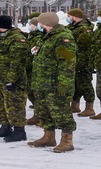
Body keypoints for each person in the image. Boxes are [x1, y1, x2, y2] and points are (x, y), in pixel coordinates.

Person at [29, 12, 77, 153]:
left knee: (60, 112)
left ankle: (67, 140)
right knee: (43, 111)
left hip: (55, 83)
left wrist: (63, 84)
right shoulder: (46, 36)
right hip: (42, 82)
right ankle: (48, 137)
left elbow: (67, 62)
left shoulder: (63, 38)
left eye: (40, 22)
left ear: (46, 23)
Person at [0, 15, 29, 142]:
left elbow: (18, 62)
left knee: (14, 106)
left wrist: (11, 80)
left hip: (12, 80)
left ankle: (19, 131)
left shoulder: (16, 39)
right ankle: (5, 127)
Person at [66, 8, 96, 117]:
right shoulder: (72, 27)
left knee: (85, 84)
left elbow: (84, 46)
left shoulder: (84, 28)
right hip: (74, 60)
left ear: (74, 16)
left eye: (69, 16)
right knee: (75, 83)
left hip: (83, 61)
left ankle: (89, 107)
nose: (67, 18)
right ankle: (75, 104)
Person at [26, 16, 44, 126]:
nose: (30, 26)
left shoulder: (41, 37)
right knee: (31, 93)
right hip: (29, 68)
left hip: (37, 69)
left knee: (39, 95)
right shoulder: (31, 36)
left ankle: (43, 117)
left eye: (31, 24)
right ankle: (37, 114)